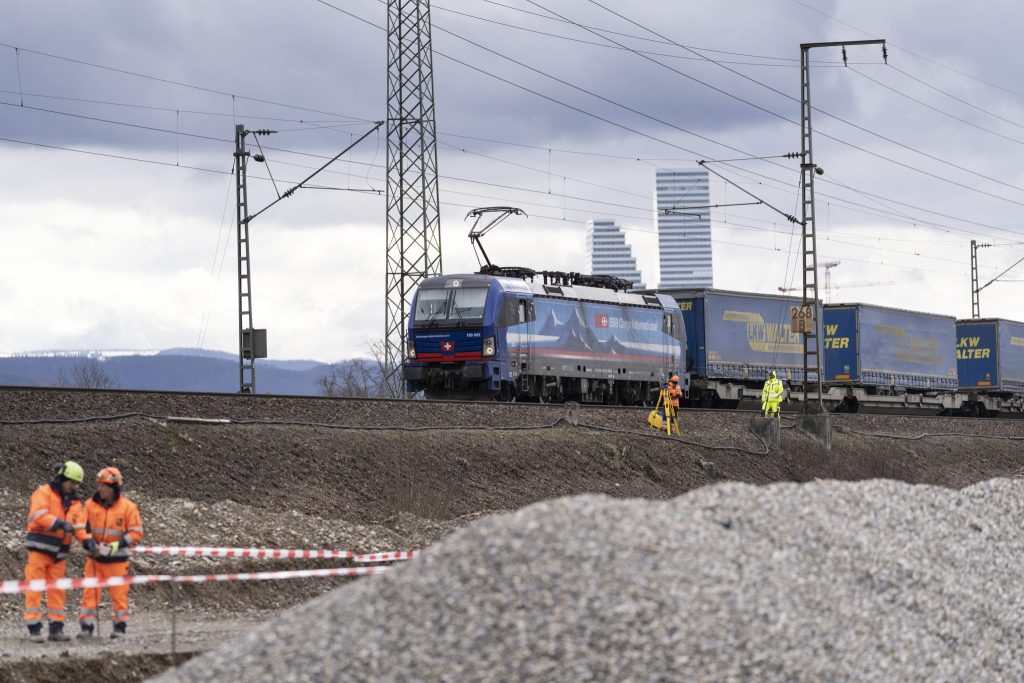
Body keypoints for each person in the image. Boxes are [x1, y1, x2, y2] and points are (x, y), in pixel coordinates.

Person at [24, 460, 95, 642]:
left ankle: (56, 629)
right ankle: (34, 629)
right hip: (39, 549)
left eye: (77, 483)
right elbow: (38, 515)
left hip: (59, 554)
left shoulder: (75, 503)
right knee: (35, 588)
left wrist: (87, 541)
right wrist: (59, 523)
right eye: (72, 482)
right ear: (62, 478)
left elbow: (78, 527)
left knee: (57, 591)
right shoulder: (44, 492)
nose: (74, 486)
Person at [77, 467, 144, 639]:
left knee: (119, 596)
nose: (100, 488)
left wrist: (118, 544)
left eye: (104, 485)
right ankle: (86, 627)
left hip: (117, 560)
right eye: (99, 485)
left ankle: (119, 628)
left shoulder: (128, 508)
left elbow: (136, 532)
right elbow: (81, 527)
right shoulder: (90, 505)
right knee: (89, 594)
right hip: (95, 558)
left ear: (114, 488)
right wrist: (88, 541)